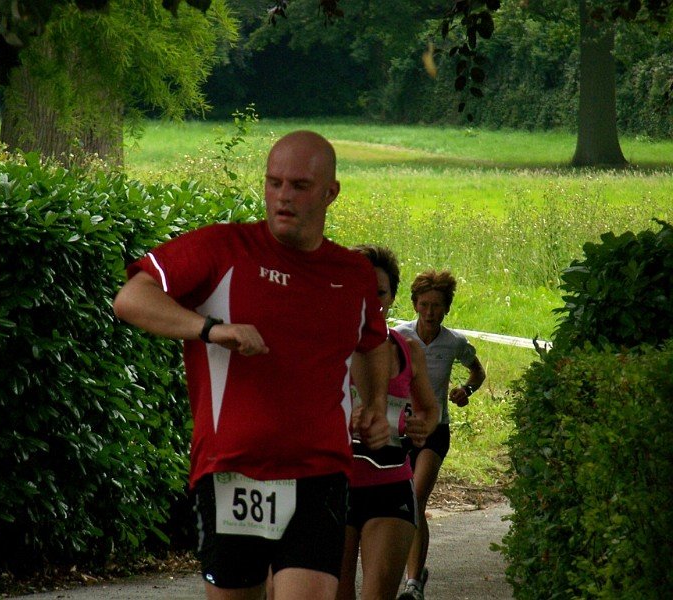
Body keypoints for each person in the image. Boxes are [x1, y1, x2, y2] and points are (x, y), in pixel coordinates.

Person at [113, 130, 392, 600]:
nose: (283, 196)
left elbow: (371, 343)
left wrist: (376, 404)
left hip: (320, 471)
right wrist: (210, 329)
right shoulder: (223, 248)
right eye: (273, 182)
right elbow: (130, 299)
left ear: (330, 192)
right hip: (231, 471)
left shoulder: (353, 273)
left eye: (299, 186)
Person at [337, 245, 438, 600]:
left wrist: (423, 426)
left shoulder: (408, 348)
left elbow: (429, 409)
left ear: (392, 296)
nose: (369, 300)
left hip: (391, 484)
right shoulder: (326, 348)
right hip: (335, 487)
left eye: (378, 292)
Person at [394, 269, 486, 600]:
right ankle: (410, 569)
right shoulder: (398, 336)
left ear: (446, 308)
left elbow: (478, 372)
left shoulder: (454, 342)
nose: (430, 313)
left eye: (437, 306)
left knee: (416, 497)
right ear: (414, 305)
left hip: (435, 430)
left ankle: (413, 584)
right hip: (400, 429)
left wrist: (466, 390)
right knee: (403, 502)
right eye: (424, 305)